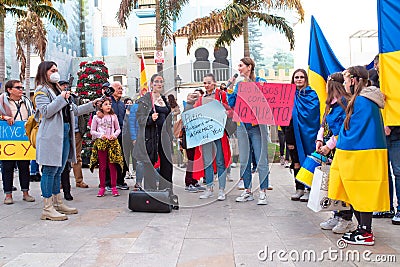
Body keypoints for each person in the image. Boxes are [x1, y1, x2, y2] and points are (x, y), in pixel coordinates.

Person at [329, 65, 389, 246]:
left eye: (347, 80)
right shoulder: (364, 100)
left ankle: (365, 231)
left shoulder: (362, 101)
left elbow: (354, 131)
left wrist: (339, 142)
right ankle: (363, 229)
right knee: (355, 191)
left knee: (360, 192)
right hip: (364, 153)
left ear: (354, 80)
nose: (345, 84)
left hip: (361, 154)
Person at [34, 61, 98, 221]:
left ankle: (57, 202)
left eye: (57, 69)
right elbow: (46, 112)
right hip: (50, 137)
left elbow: (74, 110)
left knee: (58, 170)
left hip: (65, 134)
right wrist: (61, 98)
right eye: (52, 70)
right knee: (49, 171)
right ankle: (47, 207)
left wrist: (92, 105)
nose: (56, 72)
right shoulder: (41, 91)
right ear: (44, 72)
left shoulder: (58, 90)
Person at [314, 72, 355, 234]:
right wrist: (319, 140)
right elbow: (323, 124)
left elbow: (344, 129)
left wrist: (329, 145)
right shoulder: (330, 104)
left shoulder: (344, 103)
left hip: (342, 149)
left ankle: (347, 219)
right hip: (332, 149)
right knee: (334, 184)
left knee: (343, 185)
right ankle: (337, 214)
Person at [227, 57, 270, 205]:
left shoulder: (260, 81)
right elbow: (231, 103)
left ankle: (263, 191)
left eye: (241, 66)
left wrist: (263, 87)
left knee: (261, 159)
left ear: (249, 67)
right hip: (242, 127)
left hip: (257, 127)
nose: (238, 69)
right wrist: (230, 88)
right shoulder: (238, 85)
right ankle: (247, 190)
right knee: (244, 160)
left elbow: (269, 97)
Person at [186, 73, 231, 200]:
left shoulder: (221, 95)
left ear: (214, 83)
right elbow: (193, 114)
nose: (206, 85)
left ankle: (221, 190)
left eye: (209, 83)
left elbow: (229, 108)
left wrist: (226, 112)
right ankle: (209, 188)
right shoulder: (200, 99)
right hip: (205, 134)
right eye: (204, 83)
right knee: (207, 162)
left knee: (220, 161)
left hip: (218, 133)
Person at [285, 69, 320, 202]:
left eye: (301, 77)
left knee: (309, 160)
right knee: (296, 161)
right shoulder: (288, 95)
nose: (299, 79)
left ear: (305, 79)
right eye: (296, 77)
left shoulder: (311, 95)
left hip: (309, 134)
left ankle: (309, 188)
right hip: (292, 132)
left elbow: (313, 114)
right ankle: (299, 188)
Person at [134, 74, 174, 191]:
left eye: (161, 81)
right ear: (151, 84)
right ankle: (150, 191)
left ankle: (166, 190)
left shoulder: (164, 99)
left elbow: (168, 118)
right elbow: (140, 119)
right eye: (156, 81)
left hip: (164, 136)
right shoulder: (145, 100)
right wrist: (151, 118)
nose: (159, 84)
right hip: (151, 137)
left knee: (167, 164)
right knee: (150, 165)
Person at [0, 80, 35, 205]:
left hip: (23, 139)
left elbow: (33, 116)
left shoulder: (27, 101)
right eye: (18, 87)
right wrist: (4, 117)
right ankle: (8, 194)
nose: (21, 89)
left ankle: (26, 193)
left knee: (24, 167)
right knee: (7, 167)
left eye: (21, 87)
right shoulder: (2, 101)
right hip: (7, 140)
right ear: (9, 90)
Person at [89, 98, 124, 197]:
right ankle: (102, 187)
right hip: (102, 144)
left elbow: (118, 129)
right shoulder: (96, 117)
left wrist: (114, 135)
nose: (108, 106)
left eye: (109, 104)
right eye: (106, 104)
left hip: (112, 143)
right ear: (101, 106)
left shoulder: (113, 116)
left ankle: (113, 186)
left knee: (112, 165)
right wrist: (100, 135)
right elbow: (92, 131)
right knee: (103, 166)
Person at [109, 82, 129, 190]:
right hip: (110, 136)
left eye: (121, 88)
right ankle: (109, 182)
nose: (120, 90)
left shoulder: (122, 104)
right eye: (118, 88)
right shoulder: (108, 102)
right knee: (111, 160)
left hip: (122, 135)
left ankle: (121, 180)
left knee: (122, 159)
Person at [122, 97, 135, 179]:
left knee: (134, 154)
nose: (129, 105)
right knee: (126, 154)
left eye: (131, 103)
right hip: (125, 136)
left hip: (133, 136)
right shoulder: (123, 113)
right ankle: (126, 171)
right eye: (128, 103)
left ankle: (134, 170)